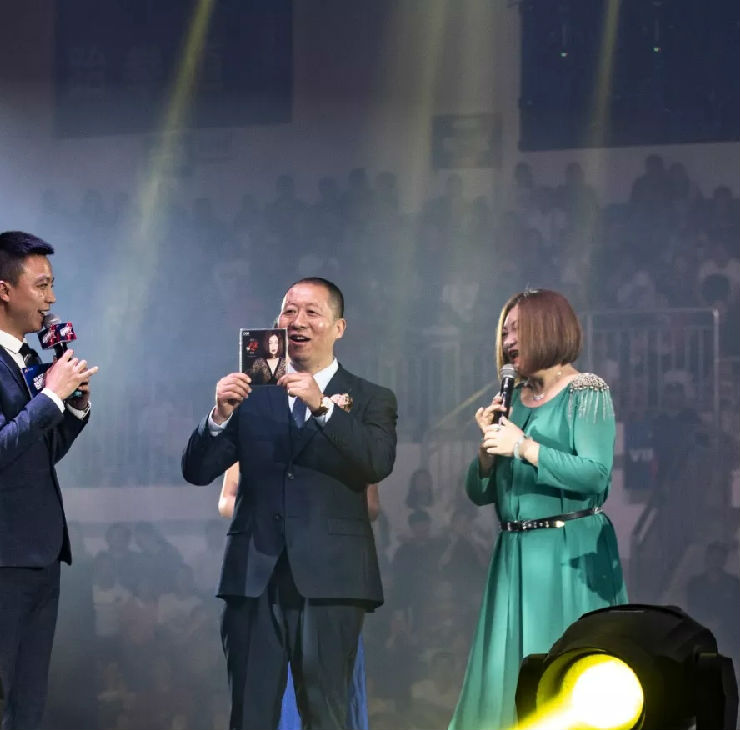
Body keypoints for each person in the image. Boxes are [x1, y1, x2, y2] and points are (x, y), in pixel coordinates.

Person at [182, 277, 398, 729]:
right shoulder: (250, 394)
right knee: (250, 715)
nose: (297, 321)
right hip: (254, 577)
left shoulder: (372, 398)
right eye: (288, 311)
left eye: (311, 312)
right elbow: (197, 471)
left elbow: (377, 462)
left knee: (327, 715)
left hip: (331, 582)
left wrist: (324, 408)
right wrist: (219, 416)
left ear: (339, 327)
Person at [0, 231, 98, 730]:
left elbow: (38, 454)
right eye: (42, 285)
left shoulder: (27, 357)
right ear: (5, 290)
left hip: (39, 554)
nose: (51, 299)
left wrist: (74, 408)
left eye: (52, 286)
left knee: (28, 707)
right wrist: (50, 398)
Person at [449, 288, 627, 730]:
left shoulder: (586, 391)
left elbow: (595, 475)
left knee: (563, 673)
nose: (508, 341)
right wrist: (487, 453)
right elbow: (478, 493)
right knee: (508, 677)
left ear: (548, 328)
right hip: (514, 553)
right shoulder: (513, 400)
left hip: (567, 550)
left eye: (517, 329)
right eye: (504, 332)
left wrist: (524, 447)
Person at [219, 462, 377, 729]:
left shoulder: (348, 438)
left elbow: (371, 505)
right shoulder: (255, 436)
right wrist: (272, 514)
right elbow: (226, 500)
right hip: (270, 583)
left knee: (328, 702)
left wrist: (321, 512)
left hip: (327, 587)